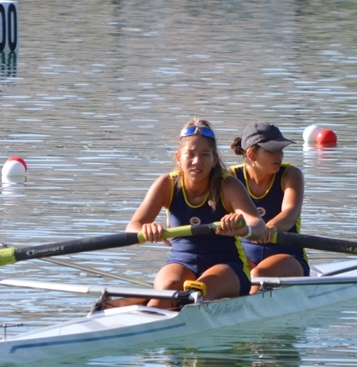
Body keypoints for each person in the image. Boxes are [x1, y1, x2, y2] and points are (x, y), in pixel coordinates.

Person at [128, 119, 267, 305]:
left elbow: (259, 227)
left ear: (214, 158)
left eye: (204, 154)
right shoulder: (166, 185)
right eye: (190, 154)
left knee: (195, 295)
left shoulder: (228, 185)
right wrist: (145, 230)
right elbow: (132, 227)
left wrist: (243, 228)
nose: (197, 161)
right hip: (180, 262)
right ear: (178, 157)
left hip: (227, 266)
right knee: (165, 292)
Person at [229, 121, 309, 287]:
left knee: (258, 274)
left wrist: (269, 226)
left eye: (281, 149)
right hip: (245, 257)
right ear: (251, 154)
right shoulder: (230, 177)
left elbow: (290, 213)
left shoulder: (291, 175)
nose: (280, 155)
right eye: (273, 150)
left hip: (288, 256)